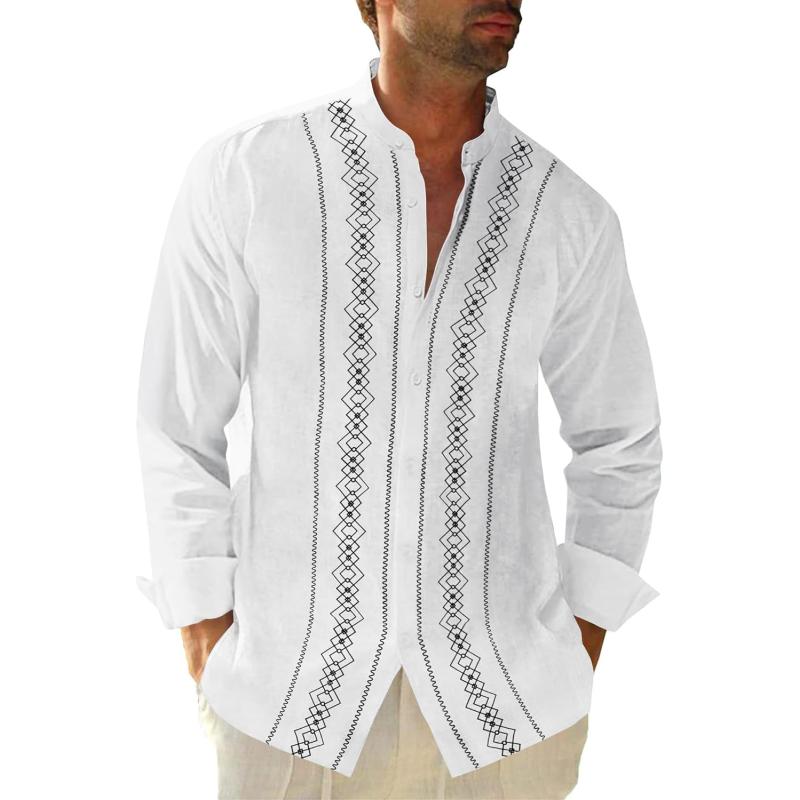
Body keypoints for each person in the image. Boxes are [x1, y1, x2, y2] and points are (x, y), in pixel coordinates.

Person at [135, 1, 663, 797]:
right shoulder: (249, 175)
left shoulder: (568, 214)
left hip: (507, 715)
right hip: (289, 705)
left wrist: (577, 640)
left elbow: (620, 441)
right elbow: (177, 422)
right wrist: (204, 625)